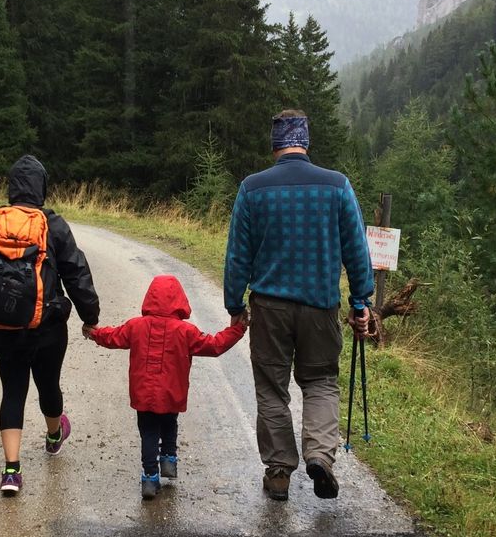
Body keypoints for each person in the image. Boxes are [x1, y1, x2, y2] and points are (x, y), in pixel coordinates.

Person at [223, 109, 374, 501]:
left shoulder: (252, 189)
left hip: (270, 308)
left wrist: (234, 303)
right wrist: (362, 302)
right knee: (321, 381)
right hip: (321, 306)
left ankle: (278, 472)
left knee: (272, 389)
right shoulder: (337, 186)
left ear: (274, 143)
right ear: (305, 140)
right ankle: (320, 456)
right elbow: (357, 251)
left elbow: (238, 255)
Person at [0, 155, 101, 496]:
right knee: (48, 384)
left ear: (11, 187)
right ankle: (54, 436)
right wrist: (90, 317)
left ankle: (11, 470)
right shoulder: (52, 224)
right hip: (48, 327)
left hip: (2, 329)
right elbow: (76, 273)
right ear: (42, 187)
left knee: (12, 391)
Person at [86, 275, 247, 500]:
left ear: (150, 298)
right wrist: (237, 330)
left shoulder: (136, 326)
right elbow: (214, 345)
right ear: (180, 300)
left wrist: (94, 333)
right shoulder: (186, 331)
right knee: (170, 422)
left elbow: (113, 337)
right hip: (172, 393)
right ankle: (169, 459)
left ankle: (150, 477)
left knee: (149, 432)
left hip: (143, 394)